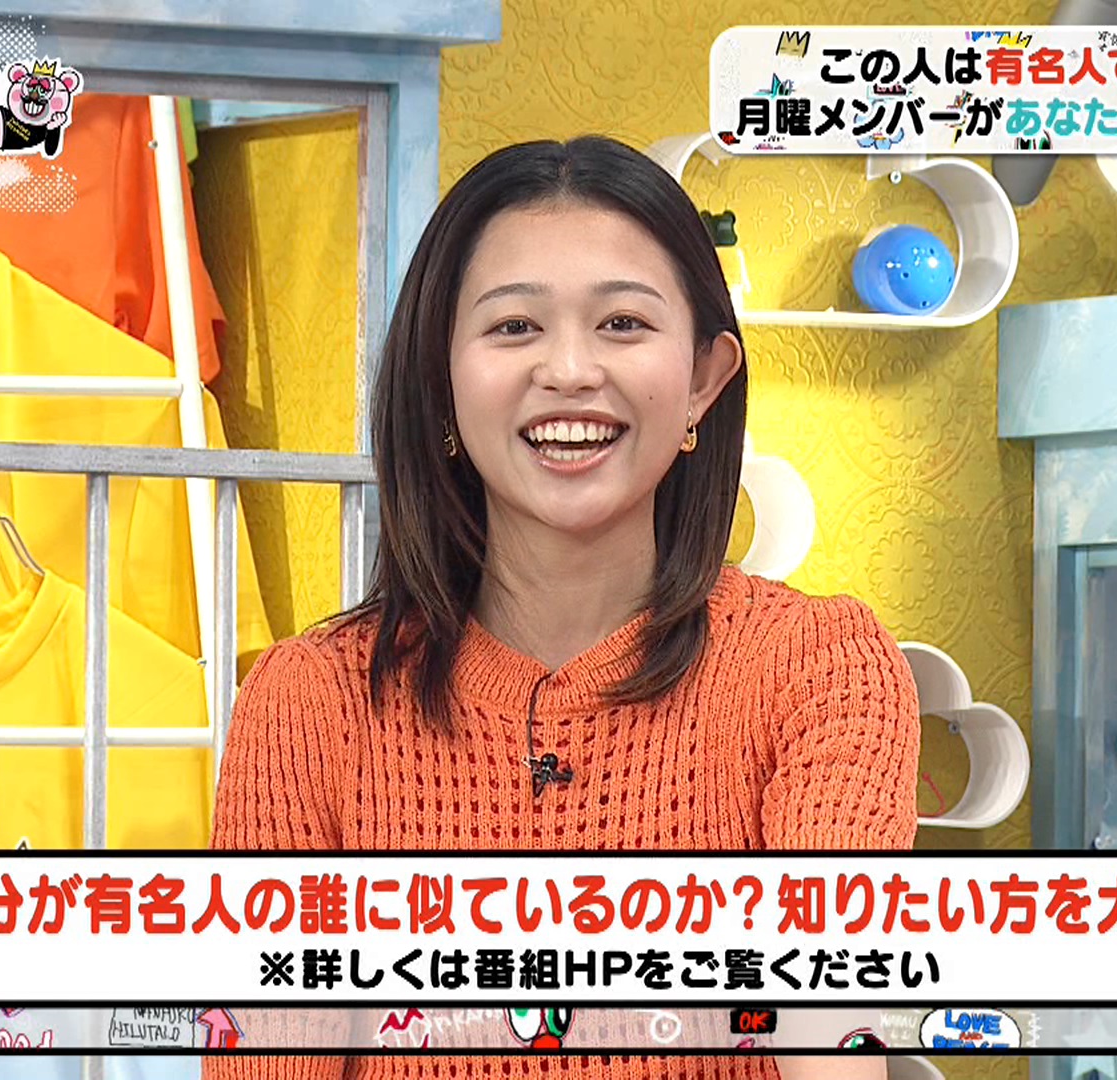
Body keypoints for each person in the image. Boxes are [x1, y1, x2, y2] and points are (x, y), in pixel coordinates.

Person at [205, 135, 921, 1080]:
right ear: (439, 380)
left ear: (704, 379)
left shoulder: (820, 669)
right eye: (514, 327)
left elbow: (833, 1030)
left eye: (623, 322)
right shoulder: (309, 701)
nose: (571, 369)